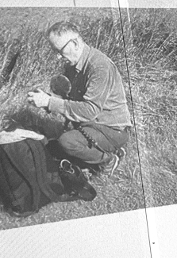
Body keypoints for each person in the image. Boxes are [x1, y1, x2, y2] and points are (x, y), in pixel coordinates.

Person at [27, 21, 131, 174]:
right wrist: (47, 99)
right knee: (53, 148)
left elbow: (89, 110)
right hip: (92, 124)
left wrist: (50, 102)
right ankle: (100, 151)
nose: (58, 57)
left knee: (67, 142)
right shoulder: (72, 65)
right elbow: (71, 101)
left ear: (75, 43)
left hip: (112, 129)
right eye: (54, 51)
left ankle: (108, 160)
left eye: (60, 50)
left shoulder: (99, 67)